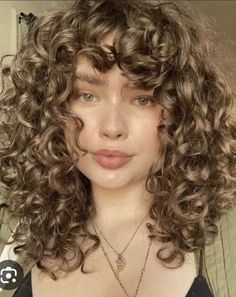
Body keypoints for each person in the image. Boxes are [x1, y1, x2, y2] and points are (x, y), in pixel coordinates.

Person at [0, 0, 235, 296]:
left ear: (180, 112)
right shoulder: (14, 225)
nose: (112, 127)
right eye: (86, 95)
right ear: (53, 107)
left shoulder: (229, 231)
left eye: (142, 99)